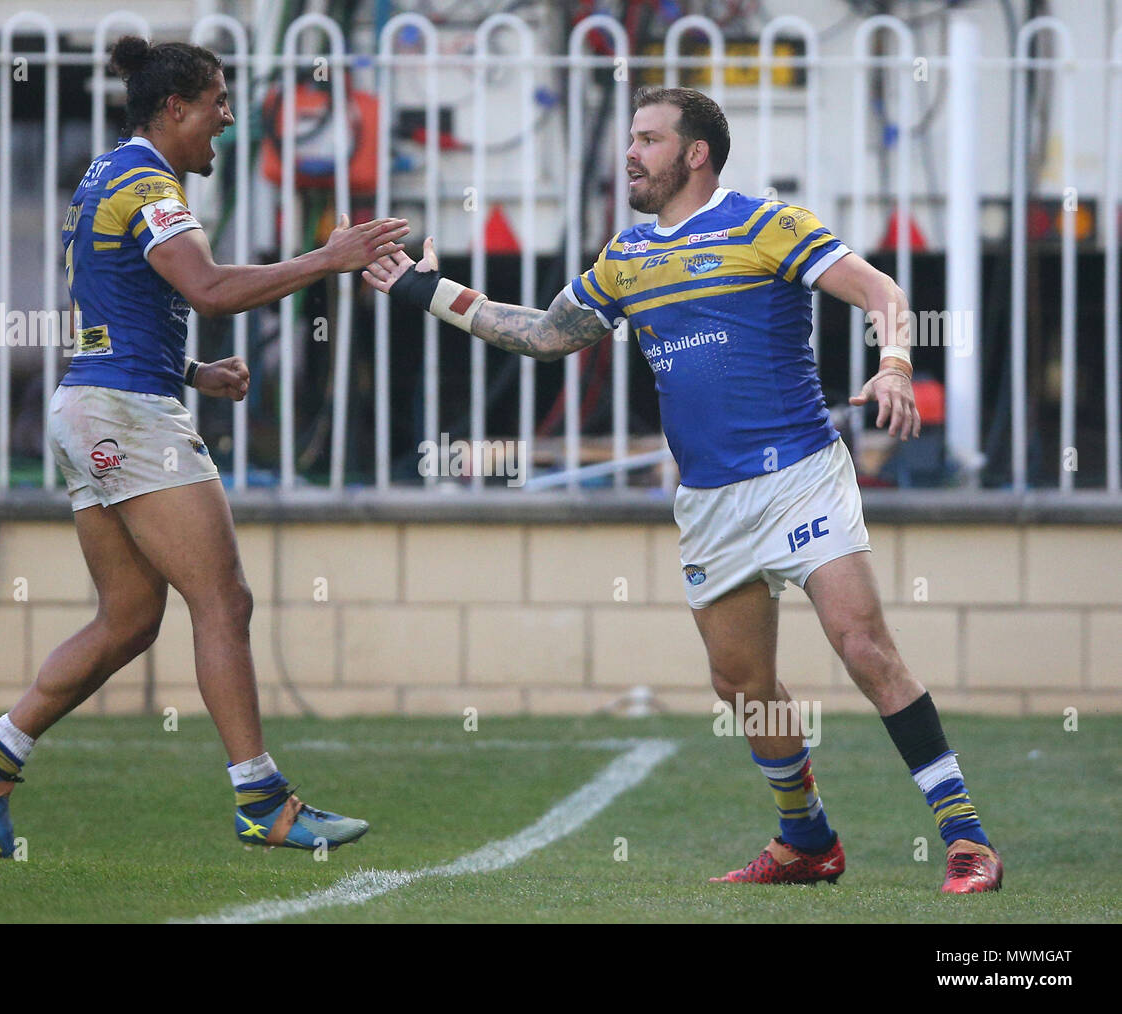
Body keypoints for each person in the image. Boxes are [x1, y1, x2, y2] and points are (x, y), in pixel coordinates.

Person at [364, 86, 1001, 893]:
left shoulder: (767, 224)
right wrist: (432, 293)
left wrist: (896, 364)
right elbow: (546, 335)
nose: (630, 153)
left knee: (864, 647)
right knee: (742, 686)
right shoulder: (627, 256)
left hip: (801, 476)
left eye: (648, 140)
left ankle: (966, 839)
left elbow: (883, 293)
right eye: (630, 138)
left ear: (695, 153)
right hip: (709, 500)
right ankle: (806, 840)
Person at [0, 36, 408, 858]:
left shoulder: (104, 174)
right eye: (218, 102)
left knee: (128, 619)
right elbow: (210, 288)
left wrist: (190, 369)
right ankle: (264, 802)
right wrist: (329, 259)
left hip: (96, 404)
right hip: (123, 414)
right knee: (223, 602)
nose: (226, 118)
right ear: (175, 109)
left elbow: (110, 302)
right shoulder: (145, 180)